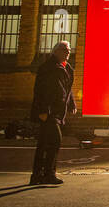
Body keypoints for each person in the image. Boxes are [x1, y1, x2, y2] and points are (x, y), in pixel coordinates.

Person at [30, 41, 76, 186]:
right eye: (64, 50)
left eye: (68, 50)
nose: (67, 52)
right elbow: (40, 90)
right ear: (55, 51)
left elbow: (67, 89)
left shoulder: (67, 68)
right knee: (55, 141)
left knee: (43, 143)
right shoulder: (48, 67)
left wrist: (72, 103)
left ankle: (37, 176)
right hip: (49, 112)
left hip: (58, 111)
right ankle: (49, 174)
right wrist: (43, 110)